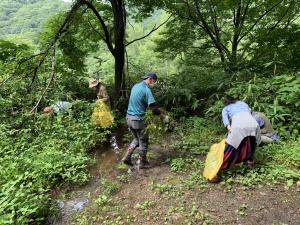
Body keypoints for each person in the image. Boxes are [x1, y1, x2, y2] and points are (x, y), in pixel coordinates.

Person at [122, 72, 168, 169]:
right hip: (138, 120)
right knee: (144, 141)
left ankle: (127, 156)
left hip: (129, 118)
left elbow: (138, 101)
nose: (153, 83)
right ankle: (142, 163)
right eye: (154, 81)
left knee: (137, 139)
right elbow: (154, 109)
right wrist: (163, 116)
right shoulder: (146, 90)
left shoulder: (135, 86)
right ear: (150, 79)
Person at [211, 96, 261, 182]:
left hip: (238, 126)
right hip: (253, 124)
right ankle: (250, 164)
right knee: (251, 144)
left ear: (226, 103)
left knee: (231, 148)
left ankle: (217, 170)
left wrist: (230, 129)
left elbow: (227, 123)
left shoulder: (226, 108)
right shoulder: (243, 103)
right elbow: (251, 113)